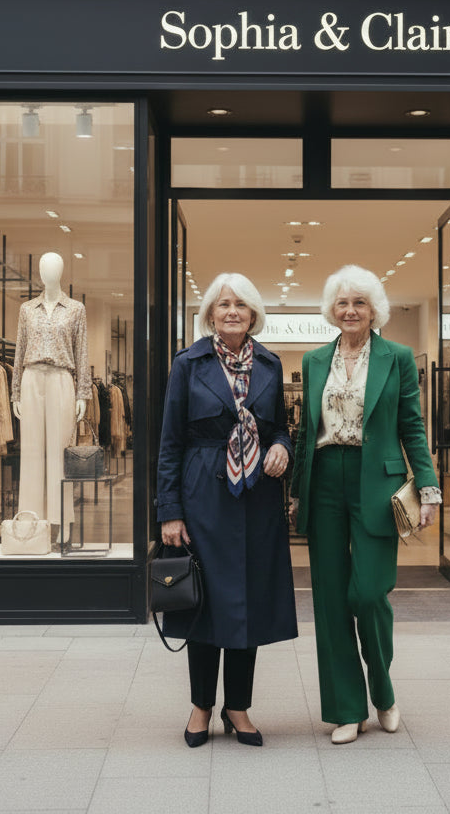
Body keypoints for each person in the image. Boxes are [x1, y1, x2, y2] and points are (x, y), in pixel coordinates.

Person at [291, 265, 440, 745]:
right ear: (331, 310)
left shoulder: (397, 358)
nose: (350, 310)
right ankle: (346, 709)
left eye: (359, 303)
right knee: (331, 599)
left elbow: (412, 426)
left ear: (374, 310)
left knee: (369, 593)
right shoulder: (314, 360)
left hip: (377, 482)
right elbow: (305, 430)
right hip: (324, 479)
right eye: (342, 303)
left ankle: (383, 690)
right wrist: (295, 490)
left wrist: (429, 487)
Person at [156, 273, 297, 748]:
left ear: (253, 314)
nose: (232, 311)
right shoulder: (188, 364)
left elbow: (280, 429)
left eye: (240, 304)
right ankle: (201, 706)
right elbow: (170, 443)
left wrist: (282, 448)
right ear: (210, 315)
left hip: (257, 498)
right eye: (223, 304)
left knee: (248, 602)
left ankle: (238, 707)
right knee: (204, 603)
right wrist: (170, 511)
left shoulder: (271, 364)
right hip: (202, 498)